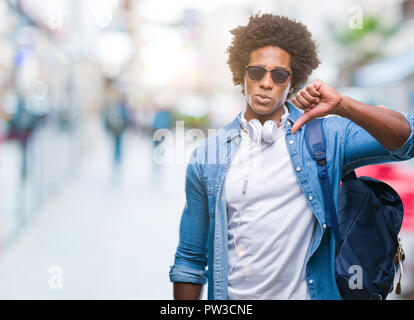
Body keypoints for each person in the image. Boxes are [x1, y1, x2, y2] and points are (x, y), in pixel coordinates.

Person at [169, 13, 414, 300]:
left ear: (292, 81)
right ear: (241, 73)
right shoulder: (208, 156)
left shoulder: (326, 137)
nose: (266, 83)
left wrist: (343, 105)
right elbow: (190, 258)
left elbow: (407, 139)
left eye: (279, 75)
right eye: (256, 72)